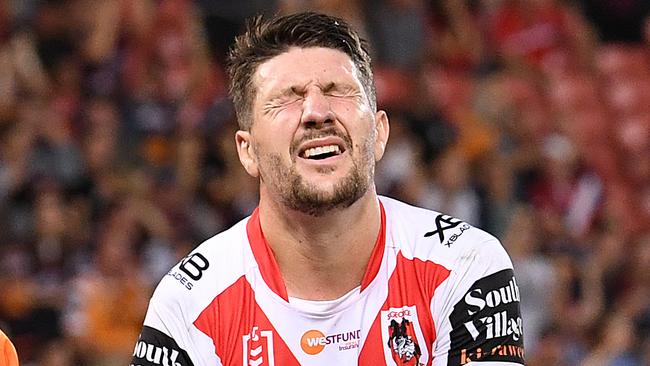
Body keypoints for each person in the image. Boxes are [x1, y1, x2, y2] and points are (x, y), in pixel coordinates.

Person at [131, 12, 525, 366]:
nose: (317, 113)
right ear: (246, 152)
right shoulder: (190, 302)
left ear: (380, 132)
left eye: (337, 90)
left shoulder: (465, 264)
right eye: (286, 98)